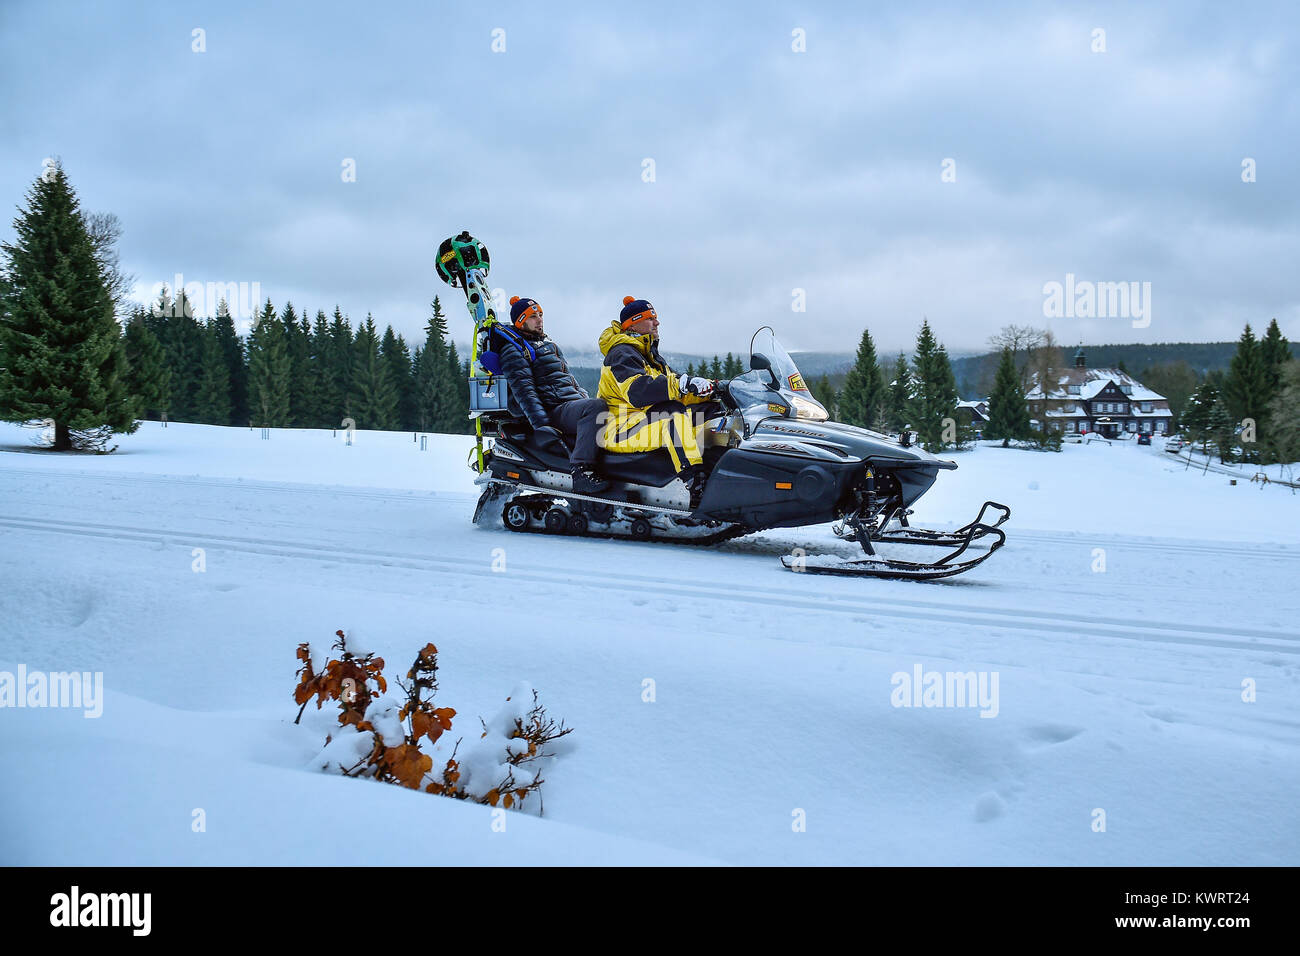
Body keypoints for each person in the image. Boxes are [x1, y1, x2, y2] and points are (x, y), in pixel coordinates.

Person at [597, 295, 718, 509]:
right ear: (634, 323)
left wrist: (711, 388)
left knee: (707, 411)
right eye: (651, 318)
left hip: (641, 421)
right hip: (619, 427)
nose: (657, 322)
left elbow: (677, 389)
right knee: (673, 416)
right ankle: (696, 484)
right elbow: (638, 391)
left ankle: (720, 466)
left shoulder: (648, 355)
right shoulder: (621, 354)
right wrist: (682, 384)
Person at [498, 295, 611, 494]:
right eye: (533, 316)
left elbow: (570, 380)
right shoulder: (514, 350)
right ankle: (581, 471)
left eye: (540, 315)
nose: (540, 319)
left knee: (601, 406)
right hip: (553, 409)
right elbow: (525, 392)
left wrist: (583, 399)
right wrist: (542, 426)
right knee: (596, 407)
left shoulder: (549, 346)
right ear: (520, 321)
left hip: (569, 404)